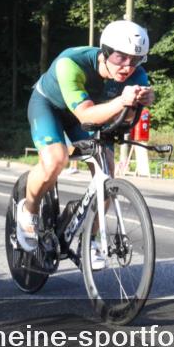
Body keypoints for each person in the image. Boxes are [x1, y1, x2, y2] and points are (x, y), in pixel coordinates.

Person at [16, 20, 154, 267]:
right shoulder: (71, 63)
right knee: (56, 160)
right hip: (50, 107)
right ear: (105, 52)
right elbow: (86, 115)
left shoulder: (137, 76)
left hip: (91, 115)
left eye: (135, 60)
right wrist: (123, 101)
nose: (127, 66)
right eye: (121, 57)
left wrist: (138, 105)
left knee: (106, 172)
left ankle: (90, 240)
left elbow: (124, 120)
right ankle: (29, 210)